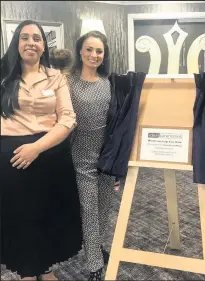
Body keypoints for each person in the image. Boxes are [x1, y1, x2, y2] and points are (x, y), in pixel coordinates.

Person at [0, 20, 82, 280]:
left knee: (48, 215)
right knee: (19, 217)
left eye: (36, 38)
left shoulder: (56, 77)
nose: (31, 43)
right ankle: (26, 270)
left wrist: (36, 148)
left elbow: (68, 119)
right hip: (11, 159)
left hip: (50, 154)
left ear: (44, 45)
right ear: (17, 43)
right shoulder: (3, 76)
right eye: (25, 38)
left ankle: (45, 268)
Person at [67, 31, 115, 281]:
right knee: (89, 209)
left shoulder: (109, 82)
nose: (94, 55)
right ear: (80, 51)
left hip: (105, 155)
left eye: (98, 51)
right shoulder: (67, 81)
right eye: (89, 49)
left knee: (104, 207)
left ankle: (95, 246)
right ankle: (94, 264)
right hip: (80, 154)